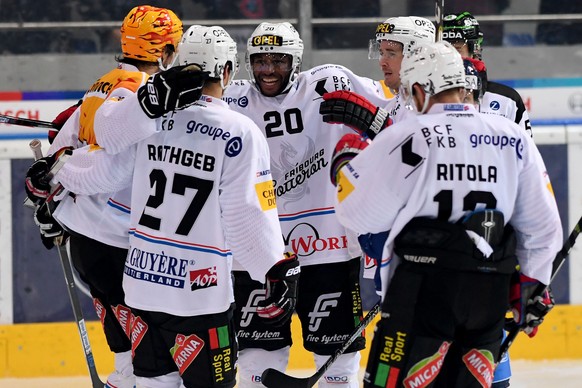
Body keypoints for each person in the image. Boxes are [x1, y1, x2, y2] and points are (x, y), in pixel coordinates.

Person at [26, 24, 301, 388]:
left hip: (142, 284)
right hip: (199, 294)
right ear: (227, 72)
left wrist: (56, 173)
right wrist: (275, 268)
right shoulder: (239, 131)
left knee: (154, 383)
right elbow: (245, 214)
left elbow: (102, 171)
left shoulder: (149, 120)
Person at [331, 40, 562, 388]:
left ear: (422, 90)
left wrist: (346, 164)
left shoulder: (408, 135)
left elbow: (357, 215)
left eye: (411, 93)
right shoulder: (513, 138)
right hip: (488, 296)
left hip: (421, 294)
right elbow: (543, 230)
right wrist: (532, 284)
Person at [222, 21, 393, 388]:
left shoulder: (331, 82)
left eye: (278, 60)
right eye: (260, 60)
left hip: (328, 252)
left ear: (296, 60)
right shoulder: (231, 98)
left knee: (338, 364)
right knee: (257, 359)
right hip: (259, 258)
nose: (268, 69)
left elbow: (397, 108)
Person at [24, 5, 183, 388]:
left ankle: (122, 378)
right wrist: (58, 172)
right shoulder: (146, 97)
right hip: (122, 241)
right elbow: (109, 172)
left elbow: (62, 149)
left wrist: (50, 190)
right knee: (154, 354)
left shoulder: (103, 84)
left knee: (123, 342)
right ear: (164, 51)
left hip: (86, 239)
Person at [442, 11, 533, 138]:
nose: (450, 56)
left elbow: (525, 153)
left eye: (457, 49)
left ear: (474, 50)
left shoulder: (508, 100)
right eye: (444, 50)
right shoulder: (427, 99)